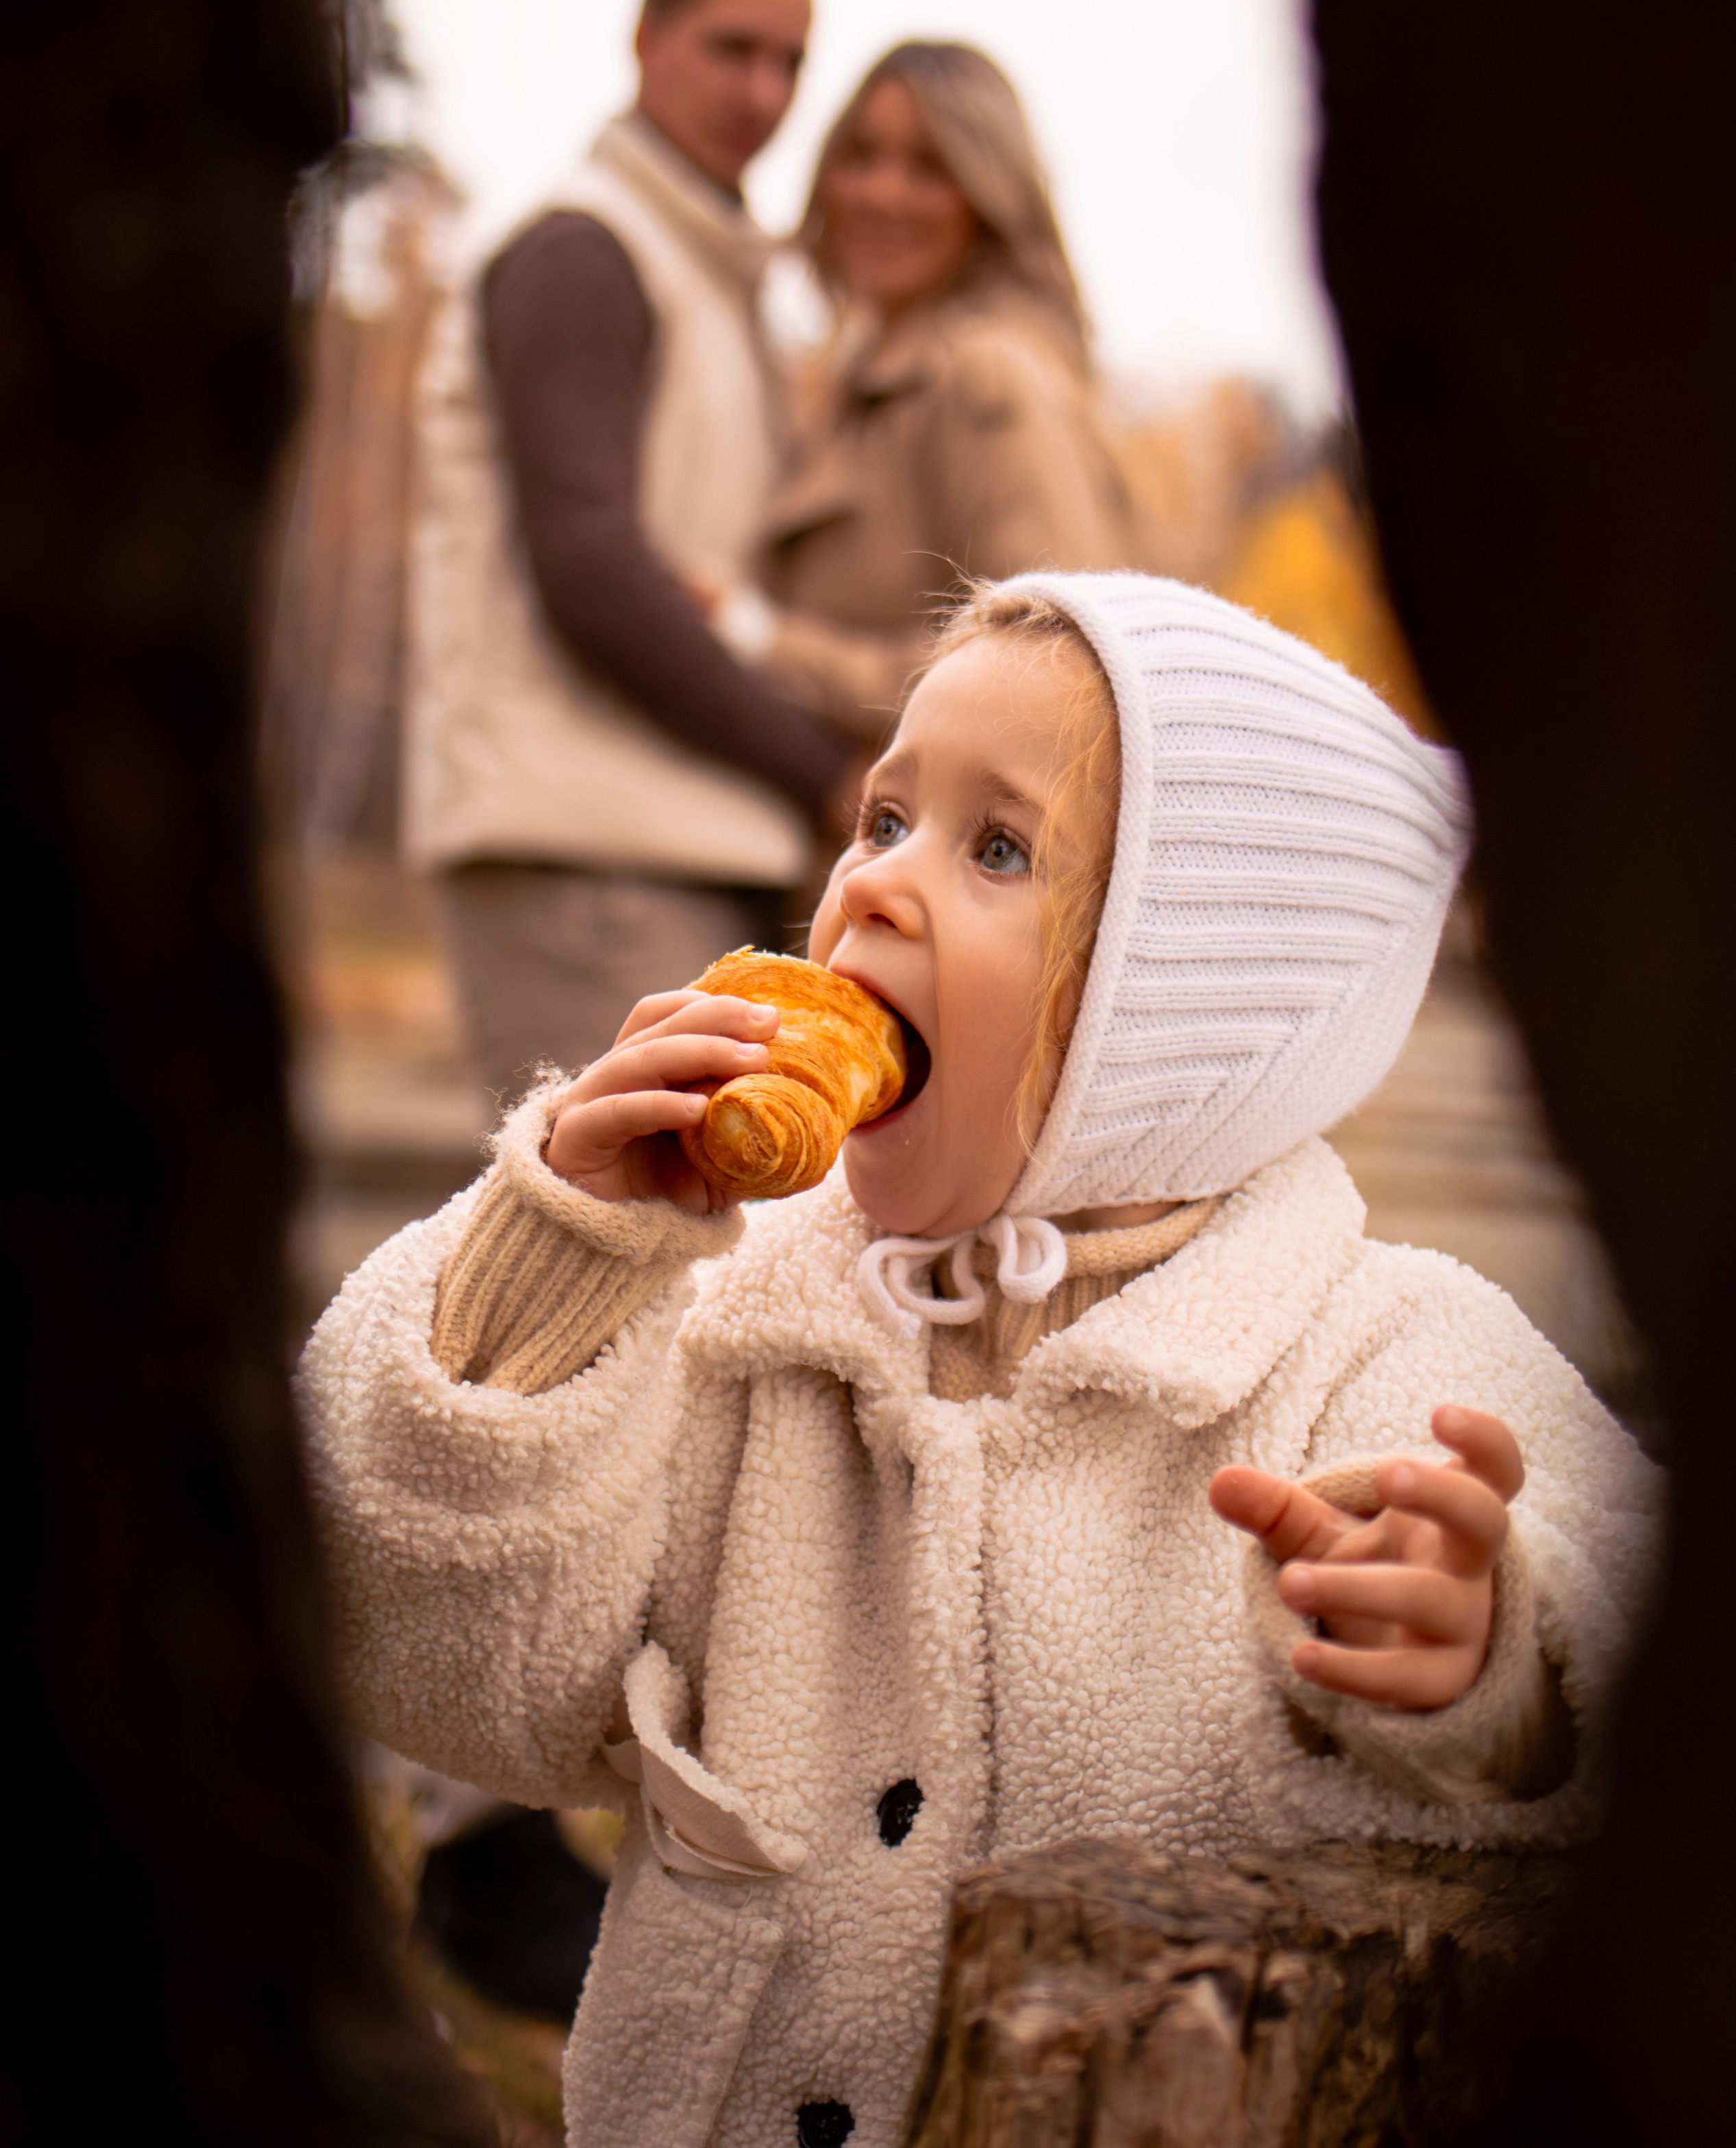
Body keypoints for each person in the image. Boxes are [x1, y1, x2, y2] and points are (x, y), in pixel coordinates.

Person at [301, 572, 1657, 2148]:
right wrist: (551, 1278)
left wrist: (1498, 1665)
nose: (873, 888)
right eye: (880, 819)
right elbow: (426, 1661)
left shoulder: (1389, 1359)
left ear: (1184, 1007)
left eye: (994, 846)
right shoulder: (731, 1315)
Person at [405, 0, 861, 1109]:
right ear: (647, 36)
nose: (764, 91)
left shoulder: (704, 272)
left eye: (790, 61)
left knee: (695, 1287)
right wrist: (820, 773)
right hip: (585, 867)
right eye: (731, 46)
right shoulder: (585, 253)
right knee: (613, 1273)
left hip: (681, 850)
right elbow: (593, 571)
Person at [728, 40, 1137, 741]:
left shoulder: (985, 375)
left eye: (929, 169)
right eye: (860, 157)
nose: (883, 195)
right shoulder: (851, 387)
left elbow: (1045, 661)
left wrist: (762, 642)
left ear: (987, 195)